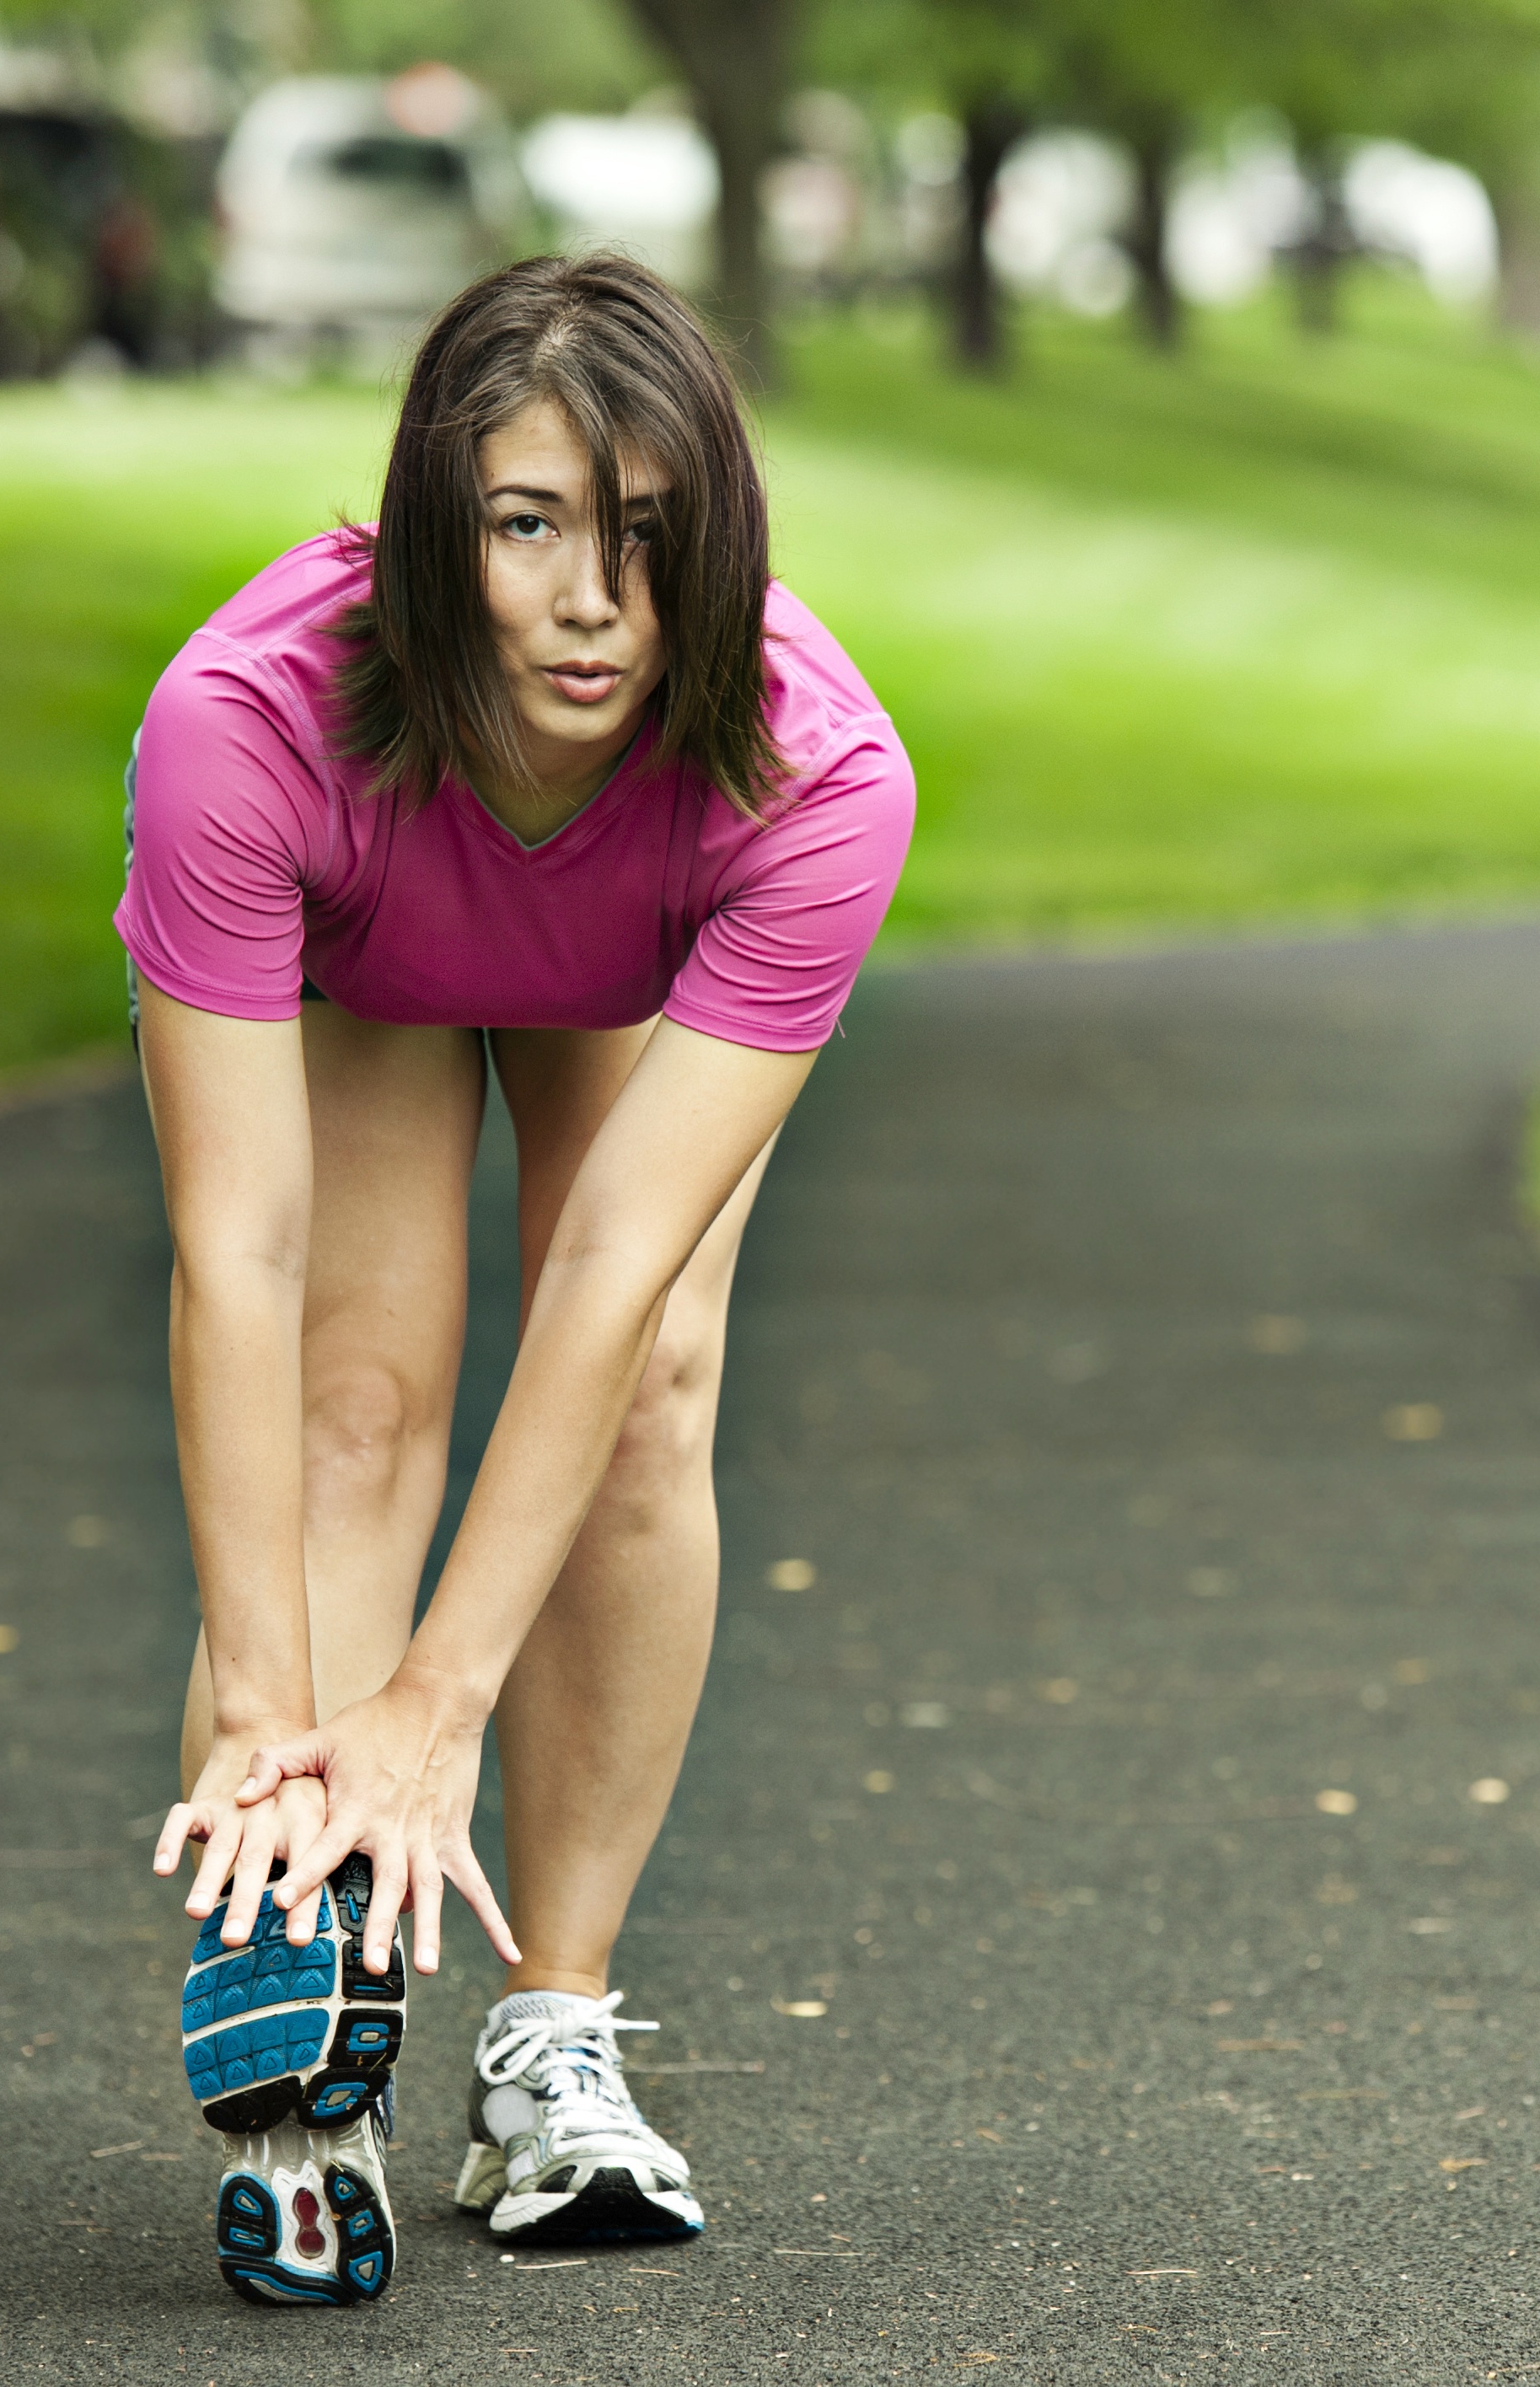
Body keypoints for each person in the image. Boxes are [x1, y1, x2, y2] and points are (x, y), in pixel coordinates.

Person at [115, 253, 915, 2305]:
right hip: (381, 924)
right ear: (432, 526)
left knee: (645, 1399)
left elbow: (614, 1275)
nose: (593, 602)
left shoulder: (814, 778)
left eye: (652, 538)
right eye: (531, 524)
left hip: (635, 954)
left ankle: (552, 2031)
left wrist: (435, 1706)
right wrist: (287, 1717)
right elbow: (239, 1244)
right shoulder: (244, 721)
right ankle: (311, 2033)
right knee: (354, 1399)